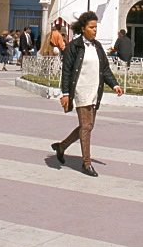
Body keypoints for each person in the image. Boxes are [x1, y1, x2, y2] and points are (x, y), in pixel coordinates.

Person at [50, 11, 123, 177]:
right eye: (91, 27)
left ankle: (61, 147)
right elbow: (67, 72)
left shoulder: (97, 46)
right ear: (83, 29)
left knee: (87, 126)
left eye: (96, 27)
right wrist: (66, 93)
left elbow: (104, 69)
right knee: (87, 127)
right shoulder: (74, 46)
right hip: (81, 89)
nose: (94, 30)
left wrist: (115, 85)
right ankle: (86, 163)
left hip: (95, 89)